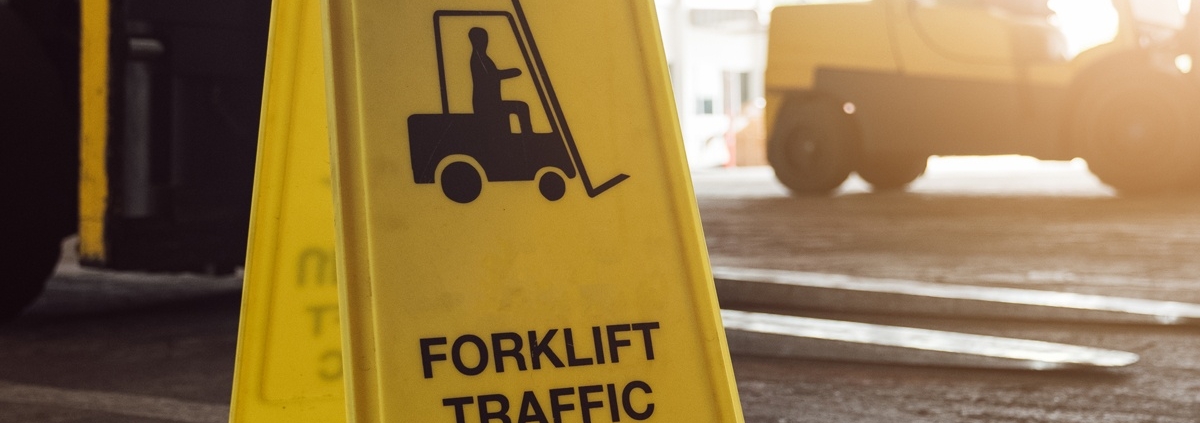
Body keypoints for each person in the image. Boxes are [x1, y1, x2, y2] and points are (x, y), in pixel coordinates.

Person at [469, 27, 531, 133]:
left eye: (485, 38)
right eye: (483, 39)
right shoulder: (478, 58)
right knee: (521, 107)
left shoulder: (482, 57)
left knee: (521, 107)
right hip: (487, 103)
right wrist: (512, 72)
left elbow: (492, 75)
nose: (486, 41)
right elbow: (492, 76)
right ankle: (528, 137)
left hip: (490, 101)